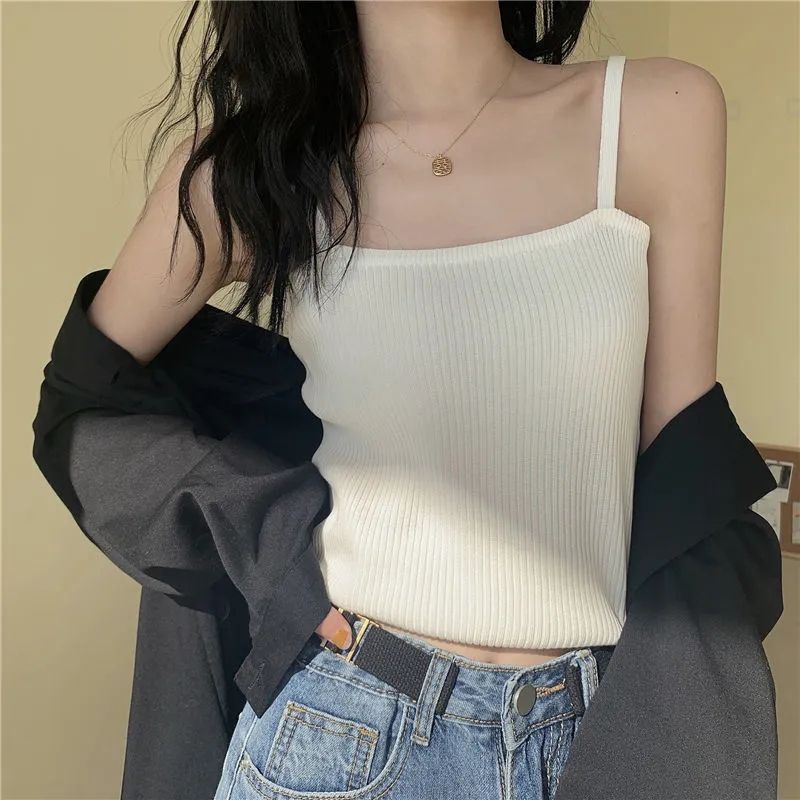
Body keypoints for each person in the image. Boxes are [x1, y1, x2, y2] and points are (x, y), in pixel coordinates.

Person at [81, 2, 727, 798]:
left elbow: (689, 486)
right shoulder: (256, 170)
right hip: (337, 735)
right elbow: (87, 396)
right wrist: (278, 566)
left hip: (585, 734)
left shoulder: (658, 114)